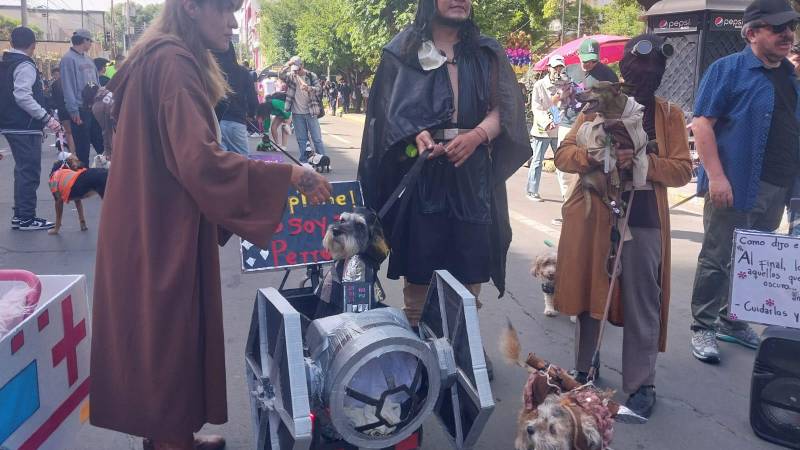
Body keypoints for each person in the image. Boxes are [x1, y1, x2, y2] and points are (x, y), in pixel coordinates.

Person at [88, 1, 332, 449]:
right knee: (168, 344)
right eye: (223, 8)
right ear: (191, 7)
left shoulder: (153, 55)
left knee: (157, 342)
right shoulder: (174, 62)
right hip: (160, 232)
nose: (233, 20)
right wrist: (289, 174)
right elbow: (201, 163)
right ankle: (171, 442)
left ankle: (172, 435)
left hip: (145, 222)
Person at [358, 0, 531, 377]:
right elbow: (386, 114)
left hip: (472, 177)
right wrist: (415, 133)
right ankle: (418, 350)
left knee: (470, 265)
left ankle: (462, 342)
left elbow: (507, 109)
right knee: (420, 267)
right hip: (424, 176)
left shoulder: (486, 52)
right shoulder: (402, 50)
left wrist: (478, 135)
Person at [555, 34, 692, 418]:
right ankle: (585, 368)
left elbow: (682, 168)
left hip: (644, 216)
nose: (644, 73)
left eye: (653, 68)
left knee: (643, 301)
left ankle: (640, 382)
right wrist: (595, 156)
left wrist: (640, 162)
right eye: (637, 64)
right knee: (587, 295)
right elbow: (564, 154)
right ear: (624, 66)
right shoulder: (598, 103)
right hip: (594, 216)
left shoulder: (669, 115)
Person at [689, 0, 800, 363]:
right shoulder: (728, 69)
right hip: (735, 185)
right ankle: (703, 326)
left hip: (778, 187)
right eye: (777, 28)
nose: (787, 34)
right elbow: (702, 124)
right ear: (752, 33)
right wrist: (717, 178)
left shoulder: (789, 75)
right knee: (717, 258)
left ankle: (731, 320)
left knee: (752, 262)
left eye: (790, 27)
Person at [0, 26, 60, 231]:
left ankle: (20, 215)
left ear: (11, 43)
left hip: (10, 124)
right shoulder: (25, 65)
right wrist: (47, 118)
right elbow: (23, 96)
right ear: (33, 45)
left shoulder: (5, 63)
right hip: (24, 126)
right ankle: (26, 217)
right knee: (29, 172)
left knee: (22, 171)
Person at [526, 55, 564, 201]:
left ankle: (566, 193)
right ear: (549, 68)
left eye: (560, 67)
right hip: (542, 130)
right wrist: (547, 122)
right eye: (555, 67)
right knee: (537, 161)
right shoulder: (539, 85)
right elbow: (536, 107)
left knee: (562, 161)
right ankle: (531, 190)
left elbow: (564, 106)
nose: (558, 70)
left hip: (558, 129)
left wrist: (557, 119)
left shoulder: (564, 84)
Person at [60, 28, 99, 166]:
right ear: (84, 40)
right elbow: (68, 86)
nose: (91, 44)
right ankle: (84, 181)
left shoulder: (89, 59)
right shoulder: (68, 59)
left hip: (94, 108)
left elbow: (96, 82)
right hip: (80, 110)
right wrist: (73, 110)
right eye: (90, 41)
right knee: (83, 150)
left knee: (101, 145)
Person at [279, 55, 327, 162]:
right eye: (294, 69)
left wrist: (309, 88)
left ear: (302, 65)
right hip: (297, 113)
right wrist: (288, 64)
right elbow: (280, 75)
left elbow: (319, 89)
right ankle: (305, 160)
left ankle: (322, 159)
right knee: (301, 139)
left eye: (298, 68)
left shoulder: (311, 76)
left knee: (316, 138)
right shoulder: (291, 76)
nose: (296, 71)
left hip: (310, 111)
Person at [214, 42, 258, 155]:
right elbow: (252, 98)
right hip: (236, 121)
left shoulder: (212, 73)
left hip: (215, 122)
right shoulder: (243, 72)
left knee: (220, 162)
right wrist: (252, 114)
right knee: (242, 162)